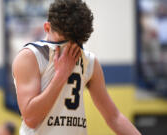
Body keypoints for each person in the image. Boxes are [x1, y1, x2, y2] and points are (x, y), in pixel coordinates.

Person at [12, 0, 141, 135]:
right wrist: (61, 75)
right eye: (61, 42)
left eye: (74, 43)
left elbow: (114, 117)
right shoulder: (30, 56)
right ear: (47, 28)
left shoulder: (89, 61)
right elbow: (31, 119)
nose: (67, 49)